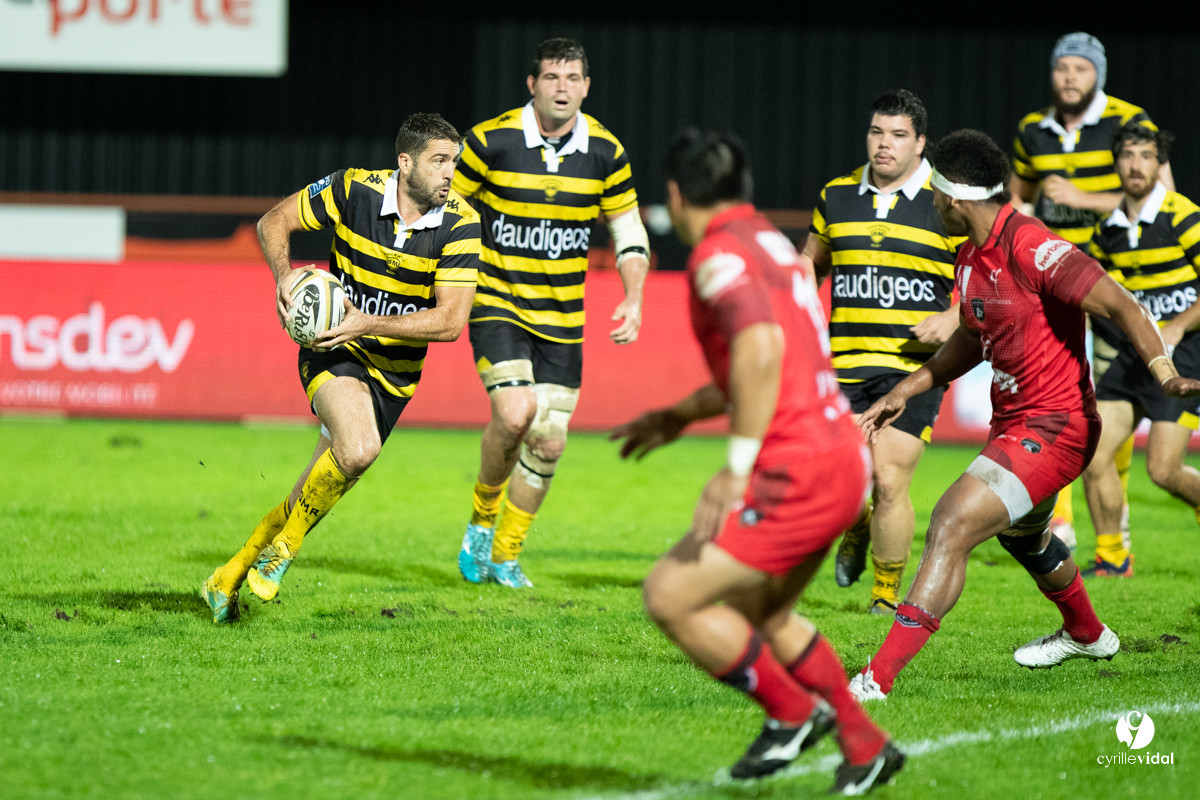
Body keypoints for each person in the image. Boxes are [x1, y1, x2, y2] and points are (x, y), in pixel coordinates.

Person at [848, 129, 1200, 701]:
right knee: (1025, 537)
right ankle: (1087, 634)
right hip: (1015, 424)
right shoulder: (970, 257)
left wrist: (1164, 373)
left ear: (954, 198)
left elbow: (1122, 303)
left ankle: (875, 679)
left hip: (1055, 427)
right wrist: (908, 388)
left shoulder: (1032, 246)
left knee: (950, 524)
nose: (931, 202)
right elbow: (972, 336)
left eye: (933, 191)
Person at [612, 128, 904, 794]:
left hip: (796, 469)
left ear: (677, 195)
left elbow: (762, 351)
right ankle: (865, 747)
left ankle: (795, 715)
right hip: (840, 459)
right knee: (763, 615)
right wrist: (680, 415)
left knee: (670, 596)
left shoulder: (716, 257)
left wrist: (736, 467)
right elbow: (766, 360)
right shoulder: (770, 243)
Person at [200, 113, 481, 623]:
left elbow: (451, 322)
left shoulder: (461, 223)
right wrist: (285, 277)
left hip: (393, 379)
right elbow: (273, 222)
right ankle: (282, 553)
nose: (449, 173)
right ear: (405, 162)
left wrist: (365, 321)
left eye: (454, 163)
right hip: (334, 349)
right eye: (439, 161)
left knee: (310, 489)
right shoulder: (353, 190)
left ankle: (225, 578)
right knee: (359, 448)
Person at [452, 38, 651, 588]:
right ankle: (481, 521)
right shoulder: (490, 141)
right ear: (531, 84)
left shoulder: (607, 153)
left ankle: (506, 555)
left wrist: (633, 296)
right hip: (498, 303)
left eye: (572, 78)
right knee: (516, 415)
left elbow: (629, 230)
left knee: (549, 440)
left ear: (587, 86)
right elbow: (449, 212)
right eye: (551, 77)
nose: (562, 88)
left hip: (563, 321)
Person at [801, 89, 964, 615]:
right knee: (846, 484)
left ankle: (885, 597)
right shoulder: (836, 196)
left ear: (921, 143)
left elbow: (991, 280)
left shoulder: (947, 202)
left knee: (889, 479)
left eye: (897, 135)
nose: (884, 145)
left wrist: (954, 316)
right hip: (843, 364)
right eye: (877, 133)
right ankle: (856, 526)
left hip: (913, 371)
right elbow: (812, 263)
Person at [1010, 31, 1173, 550]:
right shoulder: (1031, 131)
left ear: (1097, 73)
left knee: (1108, 406)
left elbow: (1162, 196)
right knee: (1051, 402)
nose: (1070, 78)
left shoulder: (1130, 121)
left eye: (1080, 68)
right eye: (1062, 69)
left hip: (1110, 286)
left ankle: (1112, 525)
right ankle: (1058, 518)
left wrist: (1084, 196)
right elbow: (1020, 200)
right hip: (1048, 289)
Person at [1081, 122, 1200, 576]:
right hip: (1134, 360)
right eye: (1128, 155)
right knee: (1093, 454)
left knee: (1163, 471)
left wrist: (1175, 327)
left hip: (1184, 357)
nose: (1136, 165)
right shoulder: (1107, 230)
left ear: (1158, 164)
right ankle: (1113, 559)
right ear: (1116, 162)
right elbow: (1093, 292)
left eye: (1146, 156)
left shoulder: (1181, 215)